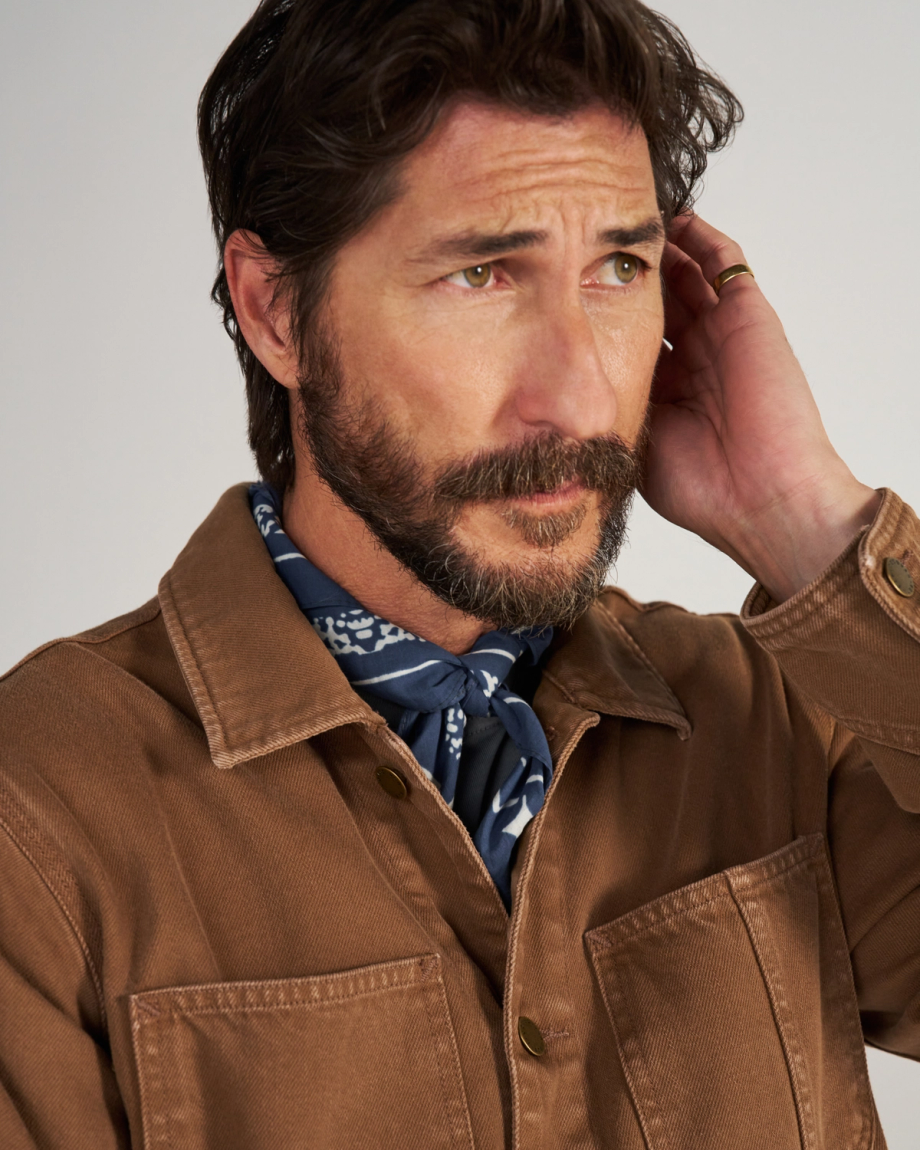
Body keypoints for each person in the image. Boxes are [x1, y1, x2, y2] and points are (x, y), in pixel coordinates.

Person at [1, 0, 917, 1145]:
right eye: (482, 273)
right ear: (274, 311)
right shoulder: (39, 811)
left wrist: (808, 523)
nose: (577, 394)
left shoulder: (773, 721)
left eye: (618, 266)